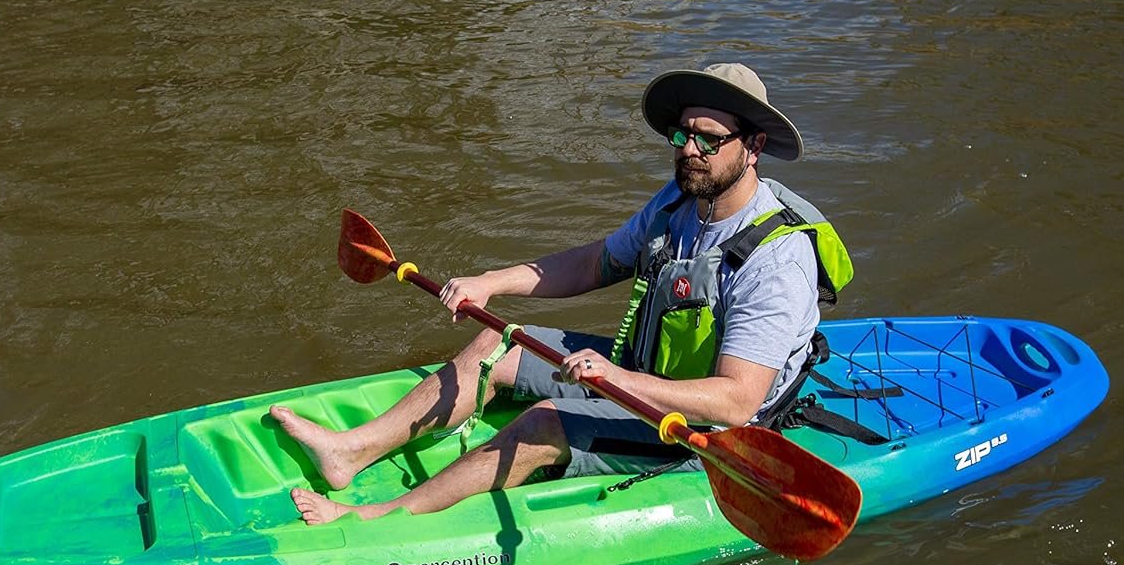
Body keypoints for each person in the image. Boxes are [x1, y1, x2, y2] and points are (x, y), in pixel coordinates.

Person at [272, 62, 852, 525]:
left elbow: (736, 402)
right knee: (495, 345)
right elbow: (595, 263)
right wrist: (490, 282)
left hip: (707, 432)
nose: (688, 149)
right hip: (643, 375)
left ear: (751, 147)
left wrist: (613, 378)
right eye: (682, 134)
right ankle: (351, 451)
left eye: (708, 139)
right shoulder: (678, 201)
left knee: (547, 421)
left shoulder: (776, 260)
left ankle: (381, 515)